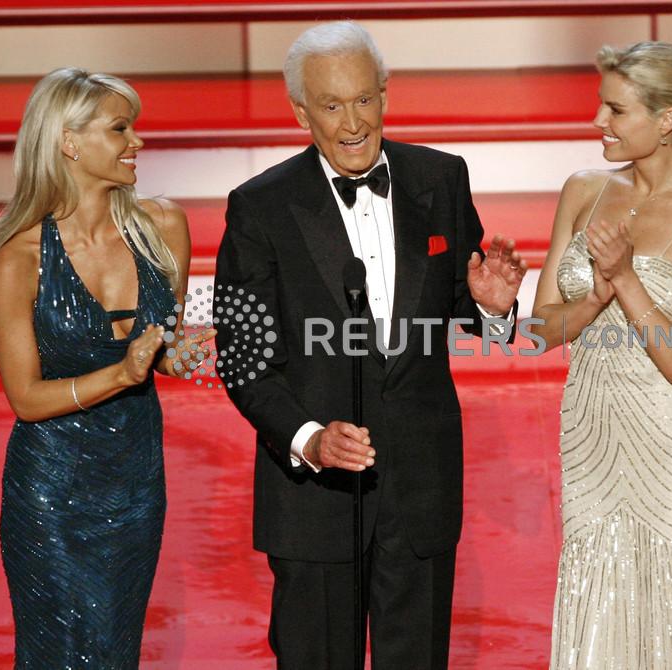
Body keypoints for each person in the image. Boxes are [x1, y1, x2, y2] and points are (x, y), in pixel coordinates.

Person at [213, 21, 526, 669]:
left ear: (384, 93)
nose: (353, 122)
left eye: (364, 99)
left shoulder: (439, 178)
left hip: (421, 487)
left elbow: (463, 304)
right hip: (315, 501)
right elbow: (243, 358)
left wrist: (493, 310)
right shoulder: (261, 207)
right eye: (331, 106)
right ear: (301, 111)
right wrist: (307, 437)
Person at [0, 67, 210, 667]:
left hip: (135, 483)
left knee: (115, 649)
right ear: (68, 141)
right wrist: (121, 374)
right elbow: (26, 398)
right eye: (120, 128)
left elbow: (169, 355)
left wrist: (200, 351)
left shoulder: (164, 226)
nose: (136, 141)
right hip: (51, 494)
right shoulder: (19, 257)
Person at [530, 42, 672, 668]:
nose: (600, 121)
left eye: (617, 110)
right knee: (599, 604)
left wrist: (624, 277)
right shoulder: (582, 189)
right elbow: (543, 330)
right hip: (590, 435)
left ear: (668, 118)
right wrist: (596, 294)